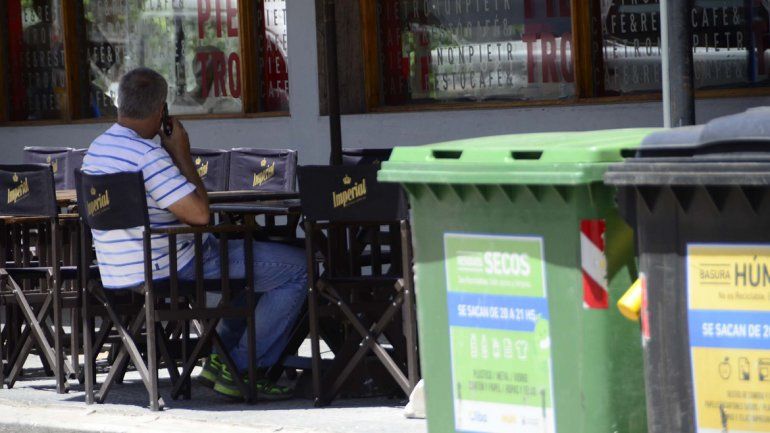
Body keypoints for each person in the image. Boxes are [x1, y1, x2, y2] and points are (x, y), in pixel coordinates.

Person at [81, 67, 306, 401]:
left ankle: (221, 358)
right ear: (161, 112)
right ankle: (242, 367)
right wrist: (182, 154)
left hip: (117, 271)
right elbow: (200, 215)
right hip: (169, 266)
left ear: (120, 105)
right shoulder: (148, 156)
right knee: (299, 267)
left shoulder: (96, 150)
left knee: (258, 267)